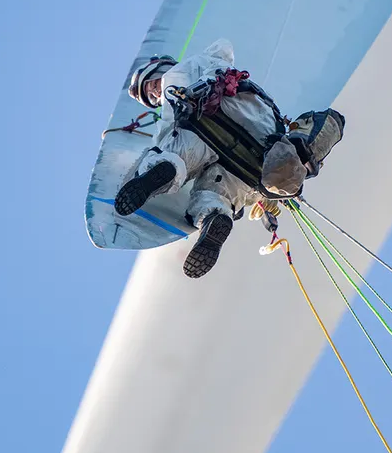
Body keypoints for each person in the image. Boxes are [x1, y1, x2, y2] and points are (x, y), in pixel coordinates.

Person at [115, 39, 344, 278]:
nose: (153, 94)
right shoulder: (212, 64)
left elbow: (166, 133)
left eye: (150, 85)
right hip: (257, 143)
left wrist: (152, 159)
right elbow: (223, 50)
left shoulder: (179, 75)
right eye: (150, 98)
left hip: (207, 122)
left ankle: (163, 172)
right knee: (217, 191)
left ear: (160, 69)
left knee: (175, 153)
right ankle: (214, 219)